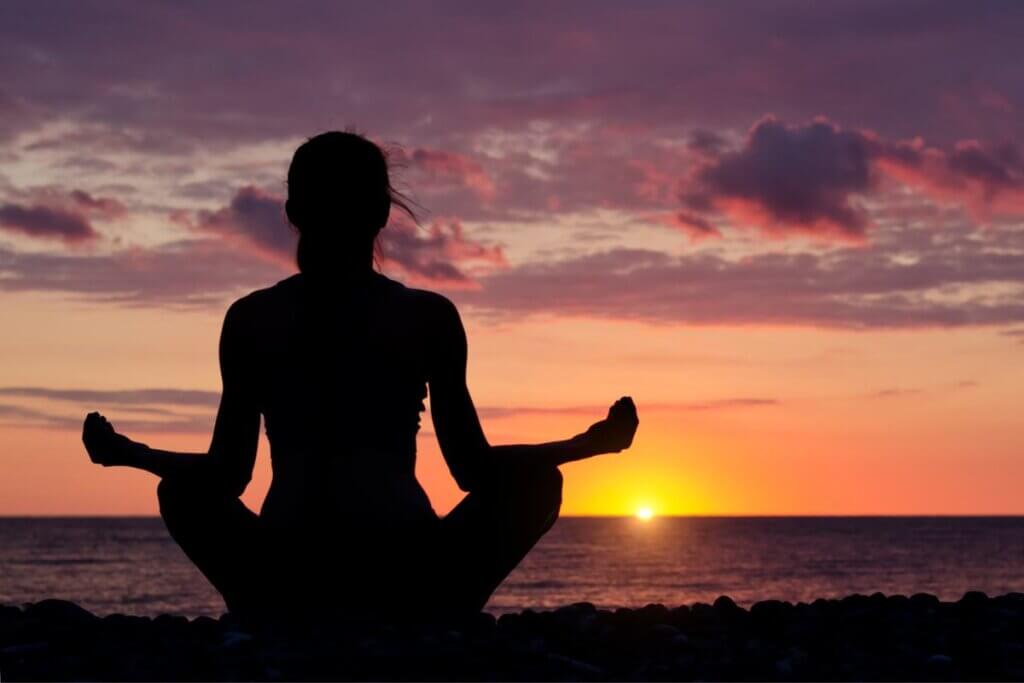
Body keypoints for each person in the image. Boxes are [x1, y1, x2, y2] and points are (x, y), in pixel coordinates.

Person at [82, 131, 639, 625]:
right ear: (381, 213)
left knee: (183, 491)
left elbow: (225, 477)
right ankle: (431, 619)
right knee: (539, 483)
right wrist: (586, 446)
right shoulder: (427, 316)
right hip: (409, 573)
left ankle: (278, 619)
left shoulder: (252, 318)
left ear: (292, 212)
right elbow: (476, 470)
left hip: (287, 572)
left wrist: (132, 454)